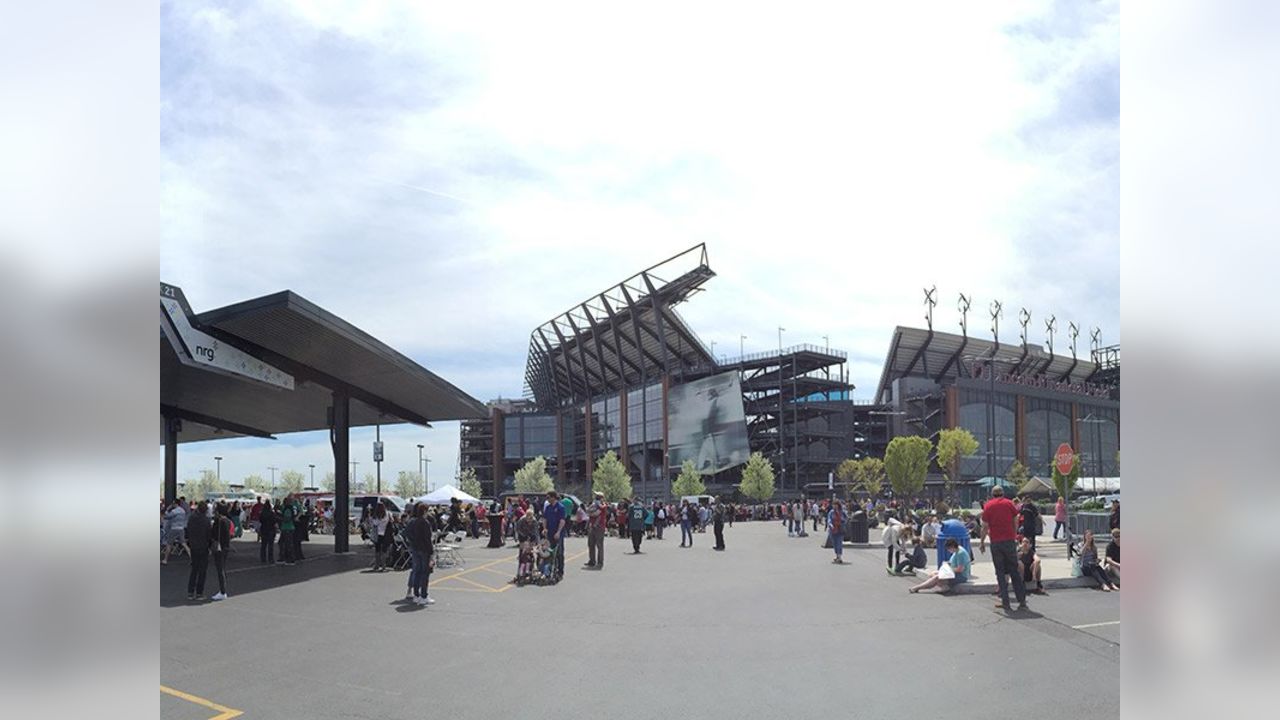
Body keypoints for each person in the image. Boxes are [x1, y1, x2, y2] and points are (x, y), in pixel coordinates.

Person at [979, 486, 1029, 612]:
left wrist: (982, 542)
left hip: (996, 542)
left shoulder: (988, 506)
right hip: (1009, 541)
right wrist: (1014, 532)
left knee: (1000, 572)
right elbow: (1016, 519)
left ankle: (1005, 601)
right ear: (1003, 493)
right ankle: (1022, 601)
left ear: (992, 494)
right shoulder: (1008, 503)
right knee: (1014, 570)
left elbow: (984, 526)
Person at [404, 503, 436, 605]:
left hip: (415, 549)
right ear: (425, 511)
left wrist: (413, 542)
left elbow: (407, 533)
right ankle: (423, 596)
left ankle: (416, 595)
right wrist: (431, 552)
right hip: (424, 550)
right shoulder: (425, 523)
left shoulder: (414, 522)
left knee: (417, 572)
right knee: (425, 573)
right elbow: (427, 540)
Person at [185, 502, 212, 601]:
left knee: (194, 569)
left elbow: (188, 531)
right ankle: (199, 593)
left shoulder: (192, 518)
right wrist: (209, 546)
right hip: (203, 547)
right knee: (202, 571)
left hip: (193, 546)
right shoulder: (206, 521)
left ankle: (190, 592)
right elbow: (209, 535)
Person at [210, 504, 232, 601]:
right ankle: (222, 590)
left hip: (219, 547)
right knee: (222, 568)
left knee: (220, 570)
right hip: (225, 547)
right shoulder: (227, 521)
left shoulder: (218, 521)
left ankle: (222, 591)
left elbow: (213, 534)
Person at [542, 491, 567, 578]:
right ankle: (548, 570)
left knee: (559, 552)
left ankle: (560, 571)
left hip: (557, 533)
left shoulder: (560, 507)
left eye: (548, 497)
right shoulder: (548, 507)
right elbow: (544, 519)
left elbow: (562, 520)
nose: (547, 499)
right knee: (549, 552)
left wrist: (558, 532)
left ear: (553, 497)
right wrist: (544, 528)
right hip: (549, 533)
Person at [584, 492, 607, 570]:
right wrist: (590, 512)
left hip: (599, 527)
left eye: (597, 496)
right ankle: (592, 560)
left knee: (599, 545)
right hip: (592, 526)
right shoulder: (594, 504)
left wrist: (590, 512)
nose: (595, 497)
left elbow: (595, 514)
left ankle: (600, 562)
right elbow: (587, 511)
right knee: (591, 544)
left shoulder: (602, 506)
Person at [161, 500, 189, 565]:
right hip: (181, 529)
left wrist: (167, 510)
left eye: (173, 503)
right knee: (184, 544)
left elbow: (167, 517)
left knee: (169, 544)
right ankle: (192, 558)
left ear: (175, 504)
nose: (172, 505)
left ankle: (165, 560)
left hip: (174, 529)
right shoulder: (183, 511)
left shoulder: (174, 511)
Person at [370, 502, 391, 571]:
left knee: (377, 550)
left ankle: (377, 565)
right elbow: (392, 521)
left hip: (378, 534)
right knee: (384, 550)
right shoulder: (388, 514)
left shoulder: (376, 515)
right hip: (386, 534)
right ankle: (384, 565)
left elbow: (374, 524)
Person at [278, 494, 298, 565]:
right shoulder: (292, 508)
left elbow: (287, 518)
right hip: (288, 527)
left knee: (288, 544)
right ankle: (284, 558)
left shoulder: (287, 509)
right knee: (283, 543)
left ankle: (290, 559)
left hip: (287, 528)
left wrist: (280, 518)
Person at [827, 500, 847, 564]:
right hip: (833, 530)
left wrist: (842, 522)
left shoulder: (842, 512)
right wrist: (831, 525)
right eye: (834, 505)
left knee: (839, 543)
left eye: (836, 504)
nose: (835, 506)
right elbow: (829, 520)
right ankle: (837, 556)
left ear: (838, 505)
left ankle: (839, 556)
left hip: (840, 529)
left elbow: (846, 518)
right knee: (834, 544)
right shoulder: (831, 512)